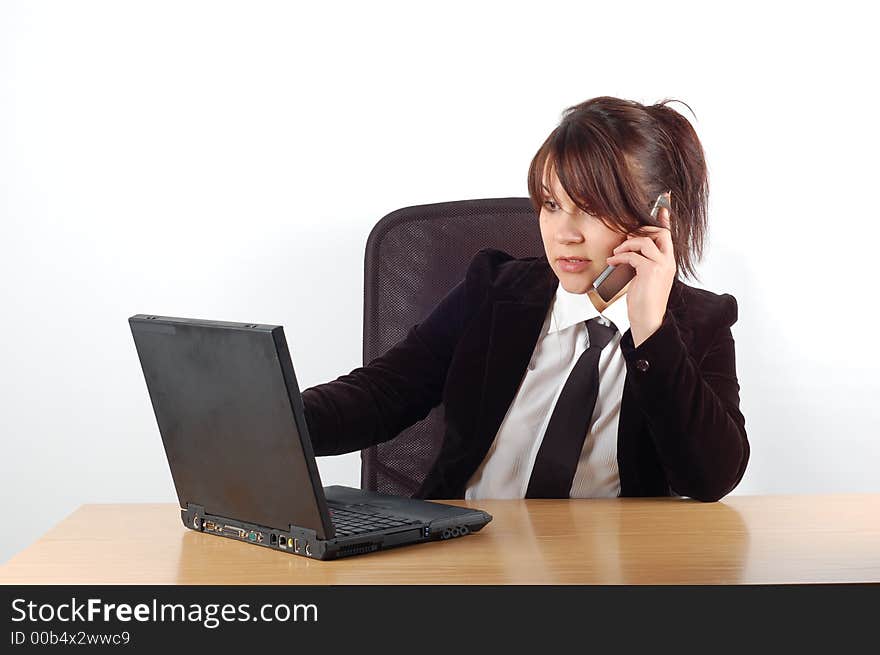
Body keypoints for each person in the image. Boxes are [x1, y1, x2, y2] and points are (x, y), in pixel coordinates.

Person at [301, 96, 749, 503]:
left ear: (657, 218)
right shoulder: (495, 292)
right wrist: (276, 423)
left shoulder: (699, 325)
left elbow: (709, 479)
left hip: (606, 573)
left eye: (591, 208)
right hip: (463, 558)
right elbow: (382, 393)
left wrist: (651, 330)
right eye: (552, 204)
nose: (564, 234)